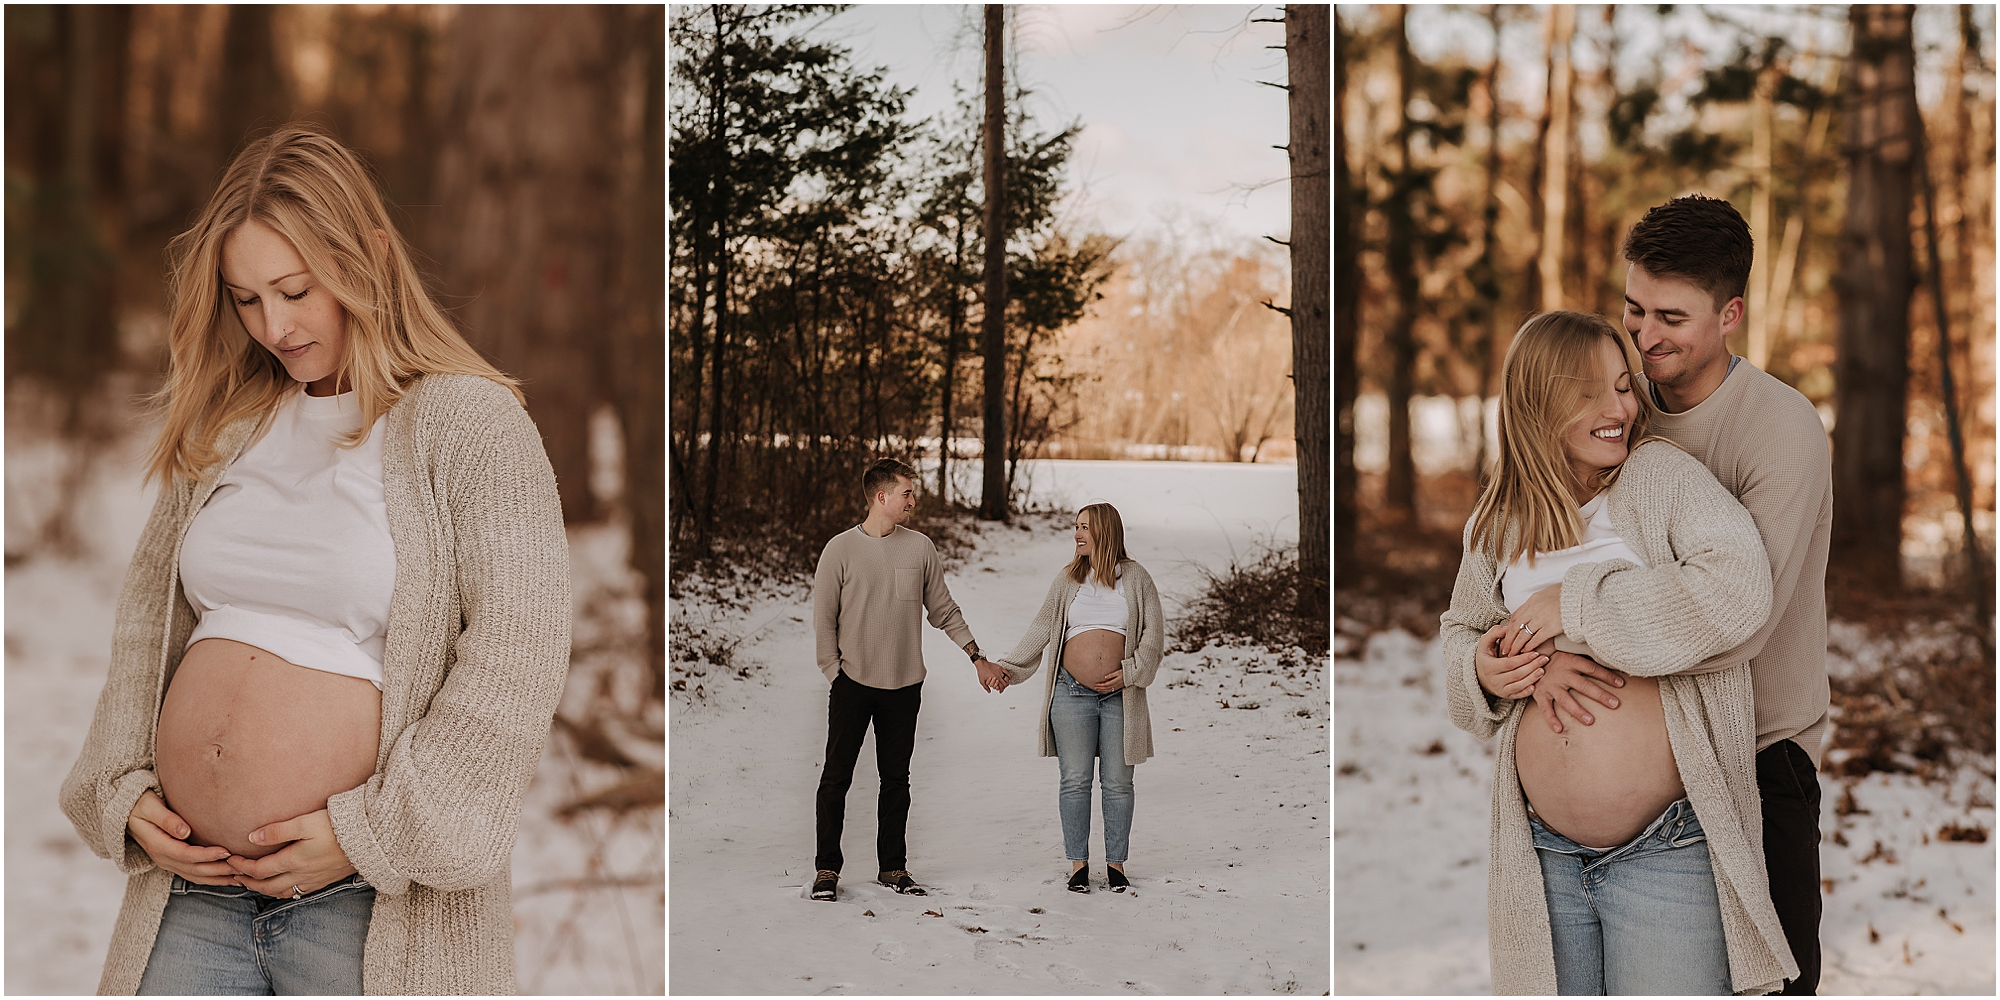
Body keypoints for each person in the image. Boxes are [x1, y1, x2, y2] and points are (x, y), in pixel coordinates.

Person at [59, 124, 570, 995]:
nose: (275, 325)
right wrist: (120, 787)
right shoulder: (230, 428)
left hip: (365, 904)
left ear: (366, 256)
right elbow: (149, 622)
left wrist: (375, 834)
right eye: (247, 298)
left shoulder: (470, 425)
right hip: (195, 891)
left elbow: (517, 655)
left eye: (295, 289)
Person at [1527, 195, 1833, 994]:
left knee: (1770, 988)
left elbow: (1738, 622)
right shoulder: (1615, 413)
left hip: (1759, 757)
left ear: (1730, 313)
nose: (1644, 336)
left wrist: (1572, 614)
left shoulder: (1780, 429)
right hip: (1647, 796)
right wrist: (1521, 666)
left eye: (1671, 316)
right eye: (1633, 309)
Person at [1442, 311, 1797, 994]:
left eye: (1623, 386)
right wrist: (1488, 669)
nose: (1620, 409)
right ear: (1537, 403)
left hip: (1667, 849)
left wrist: (1575, 607)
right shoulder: (1500, 519)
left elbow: (1737, 586)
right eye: (1589, 393)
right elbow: (1463, 630)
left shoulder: (1660, 478)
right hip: (1543, 851)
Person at [809, 458, 1005, 902]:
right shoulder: (839, 551)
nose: (913, 501)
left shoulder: (919, 548)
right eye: (907, 494)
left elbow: (943, 610)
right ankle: (826, 868)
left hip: (904, 687)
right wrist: (835, 674)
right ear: (882, 497)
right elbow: (824, 622)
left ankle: (892, 868)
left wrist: (977, 656)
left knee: (896, 780)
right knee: (836, 778)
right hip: (853, 685)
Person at [991, 502, 1165, 894]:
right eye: (1076, 527)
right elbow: (1042, 629)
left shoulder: (1136, 579)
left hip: (1122, 696)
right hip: (1070, 693)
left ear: (1105, 531)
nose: (1077, 534)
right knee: (1075, 781)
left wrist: (1131, 673)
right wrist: (1009, 668)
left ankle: (1117, 864)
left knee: (1119, 782)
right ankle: (1078, 865)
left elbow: (1153, 638)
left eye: (1084, 527)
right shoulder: (1069, 579)